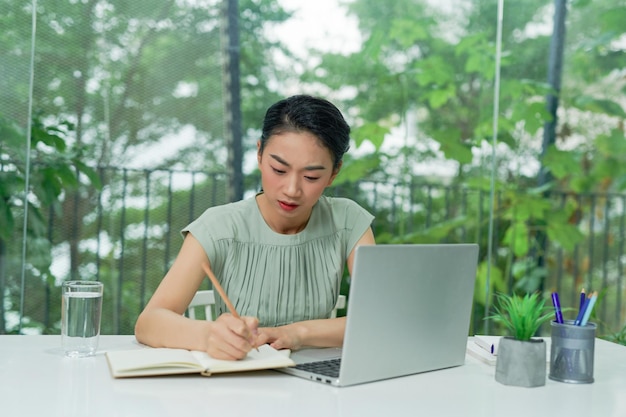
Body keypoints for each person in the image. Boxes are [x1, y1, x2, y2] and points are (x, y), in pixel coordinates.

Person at [134, 95, 376, 360]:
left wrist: (295, 334)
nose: (292, 190)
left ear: (334, 172)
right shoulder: (218, 226)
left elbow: (379, 318)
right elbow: (149, 322)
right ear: (260, 154)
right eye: (279, 169)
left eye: (311, 177)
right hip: (238, 383)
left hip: (318, 382)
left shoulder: (349, 221)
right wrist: (209, 336)